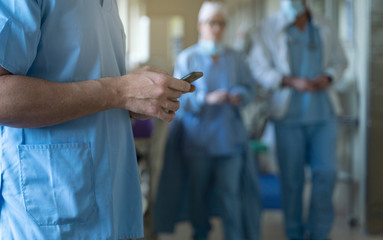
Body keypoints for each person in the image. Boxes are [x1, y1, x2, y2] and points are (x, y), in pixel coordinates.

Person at [0, 1, 194, 239]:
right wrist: (120, 91)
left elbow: (93, 86)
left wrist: (135, 99)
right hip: (53, 206)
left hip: (113, 200)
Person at [154, 2, 261, 240]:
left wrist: (239, 95)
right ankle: (200, 234)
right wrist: (205, 98)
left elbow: (250, 88)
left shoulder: (235, 58)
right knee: (198, 198)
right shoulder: (187, 58)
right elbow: (176, 99)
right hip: (197, 141)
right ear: (201, 25)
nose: (217, 28)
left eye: (221, 23)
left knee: (231, 196)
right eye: (212, 23)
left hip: (229, 141)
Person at [249, 0, 348, 239]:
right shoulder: (267, 27)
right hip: (288, 115)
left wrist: (328, 76)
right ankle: (293, 232)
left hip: (323, 113)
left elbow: (340, 61)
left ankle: (318, 233)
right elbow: (259, 69)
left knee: (326, 173)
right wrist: (290, 81)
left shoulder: (324, 24)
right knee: (292, 180)